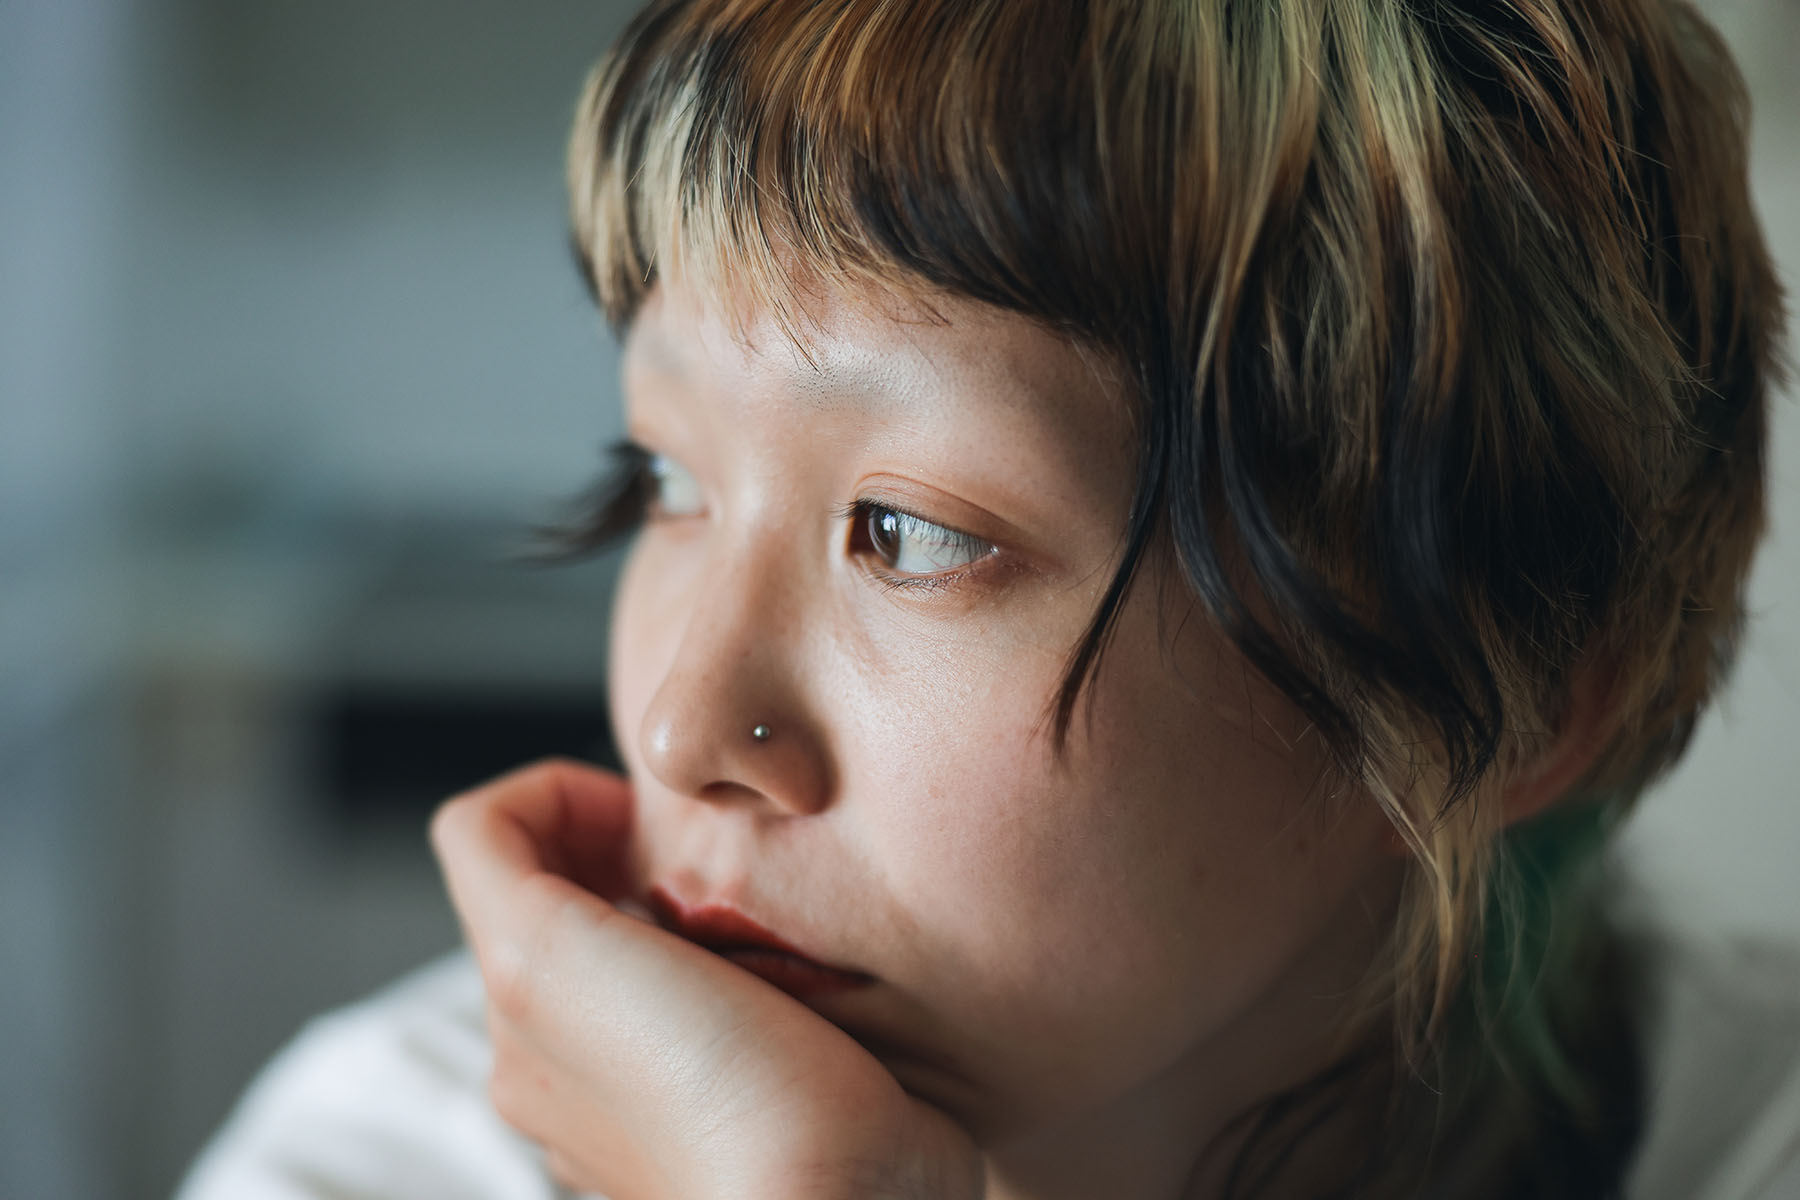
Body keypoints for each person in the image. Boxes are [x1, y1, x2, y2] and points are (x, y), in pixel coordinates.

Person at [178, 0, 1798, 1196]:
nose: (679, 725)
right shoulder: (383, 1152)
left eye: (914, 533)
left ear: (1511, 691)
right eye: (664, 481)